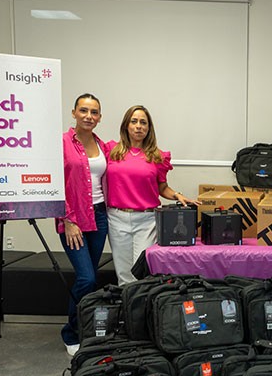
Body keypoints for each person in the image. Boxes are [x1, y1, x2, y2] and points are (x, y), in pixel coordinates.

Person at [105, 105, 198, 285]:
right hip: (117, 218)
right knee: (123, 274)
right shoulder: (111, 150)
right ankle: (128, 310)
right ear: (126, 125)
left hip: (146, 221)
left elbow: (162, 188)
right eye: (134, 121)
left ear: (149, 128)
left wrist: (177, 195)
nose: (139, 126)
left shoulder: (157, 156)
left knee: (144, 272)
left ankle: (144, 309)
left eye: (143, 123)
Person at [57, 93, 110, 357]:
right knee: (87, 278)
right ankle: (71, 332)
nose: (89, 116)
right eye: (84, 110)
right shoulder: (62, 143)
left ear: (100, 117)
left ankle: (84, 329)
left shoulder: (104, 146)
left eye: (94, 112)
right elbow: (53, 184)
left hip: (100, 218)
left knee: (89, 279)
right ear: (74, 112)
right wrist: (67, 219)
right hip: (74, 219)